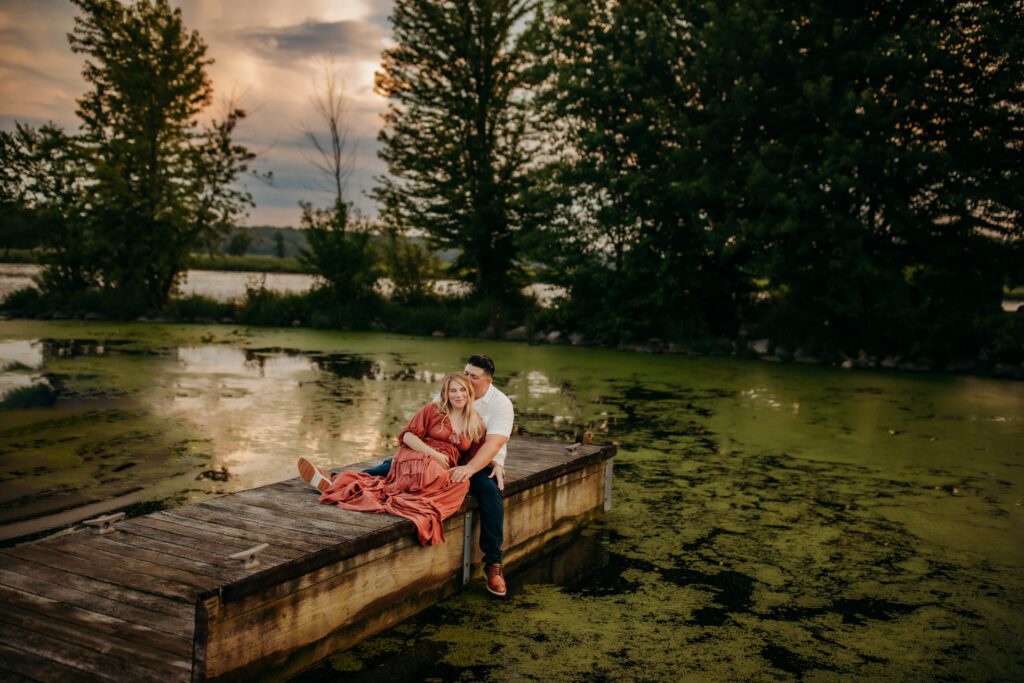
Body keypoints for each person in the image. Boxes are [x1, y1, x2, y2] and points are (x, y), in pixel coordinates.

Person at [363, 354, 514, 597]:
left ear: (488, 381)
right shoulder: (453, 390)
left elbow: (492, 444)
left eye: (473, 377)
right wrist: (423, 454)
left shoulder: (501, 404)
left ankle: (493, 564)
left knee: (490, 492)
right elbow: (427, 425)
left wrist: (475, 467)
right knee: (394, 465)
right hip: (439, 456)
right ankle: (352, 480)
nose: (466, 379)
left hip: (478, 459)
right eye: (466, 373)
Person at [297, 372, 485, 546]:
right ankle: (337, 484)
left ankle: (335, 483)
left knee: (461, 485)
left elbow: (476, 455)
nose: (458, 395)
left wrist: (489, 466)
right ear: (446, 393)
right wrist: (433, 453)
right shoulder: (433, 410)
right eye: (453, 390)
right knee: (429, 470)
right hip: (418, 454)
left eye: (462, 390)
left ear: (469, 393)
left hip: (443, 467)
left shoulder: (475, 422)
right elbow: (408, 437)